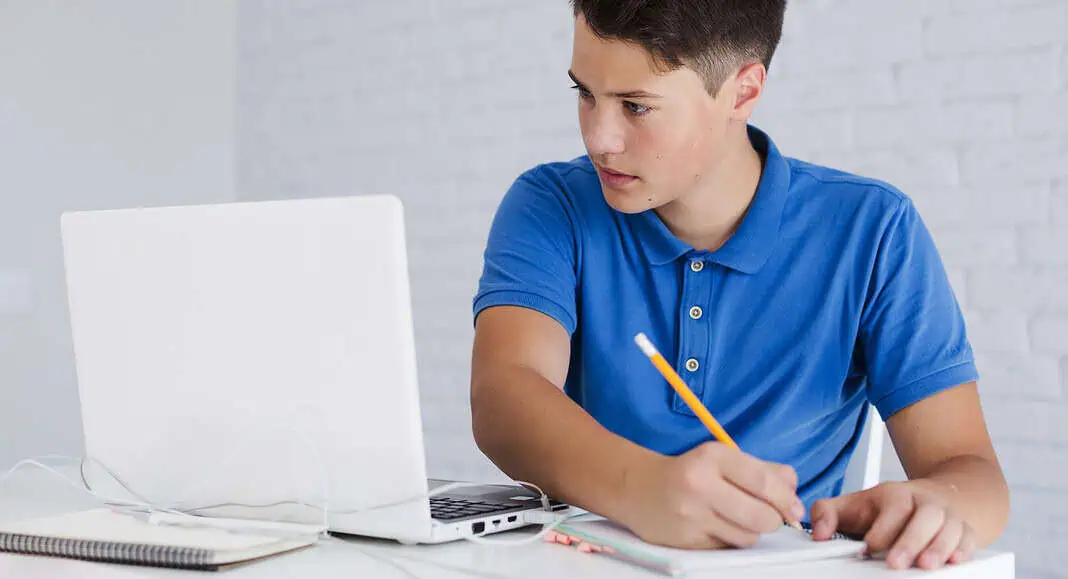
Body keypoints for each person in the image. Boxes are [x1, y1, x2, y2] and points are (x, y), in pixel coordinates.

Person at [469, 0, 1009, 570]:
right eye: (584, 93)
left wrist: (940, 506)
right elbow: (505, 396)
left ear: (744, 92)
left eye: (635, 105)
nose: (599, 138)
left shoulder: (872, 230)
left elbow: (970, 472)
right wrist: (641, 487)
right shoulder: (551, 205)